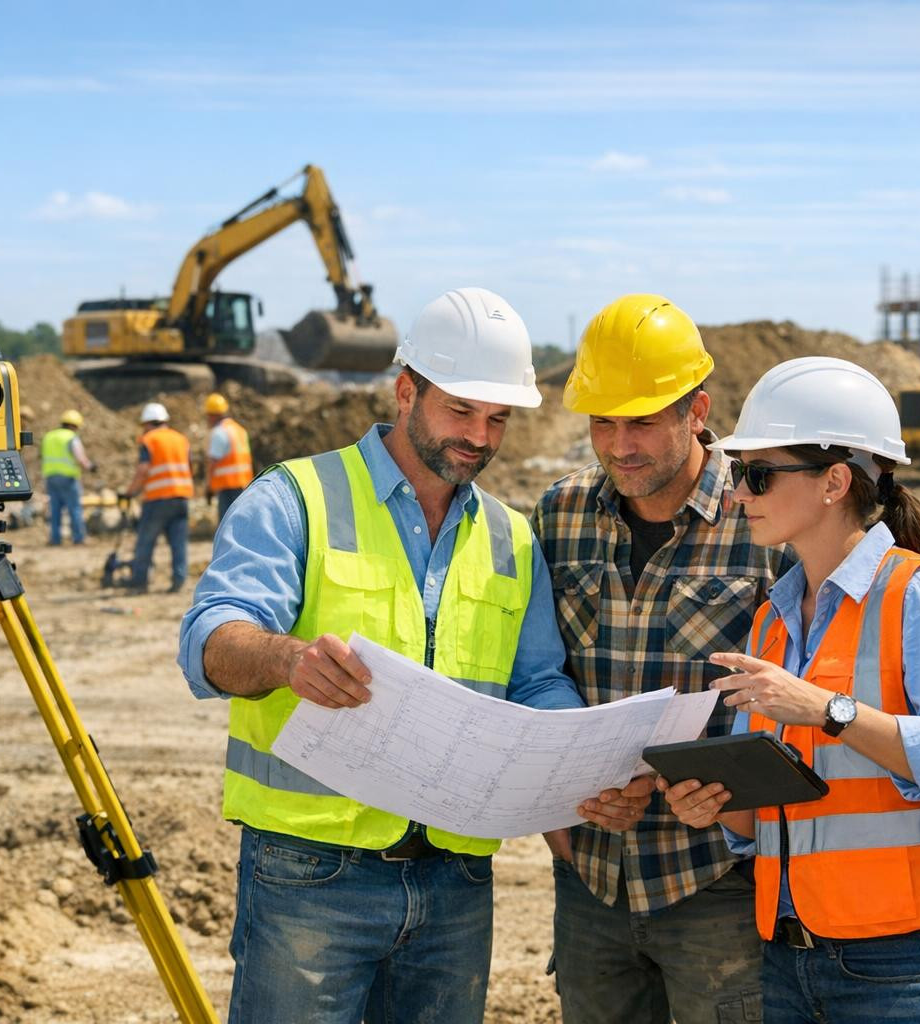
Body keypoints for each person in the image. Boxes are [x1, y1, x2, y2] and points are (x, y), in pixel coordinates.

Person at [179, 286, 652, 1024]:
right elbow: (210, 640)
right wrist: (286, 659)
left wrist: (586, 766)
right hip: (313, 874)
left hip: (456, 882)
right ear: (406, 391)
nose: (480, 436)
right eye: (460, 410)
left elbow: (536, 683)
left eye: (497, 418)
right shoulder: (297, 497)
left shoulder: (510, 537)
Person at [659, 356, 920, 1024]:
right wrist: (717, 805)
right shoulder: (775, 617)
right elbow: (779, 814)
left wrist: (826, 710)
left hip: (912, 967)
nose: (740, 493)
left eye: (758, 474)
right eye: (740, 474)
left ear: (834, 482)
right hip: (792, 960)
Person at [532, 294, 791, 1023]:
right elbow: (537, 676)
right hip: (589, 879)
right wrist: (562, 817)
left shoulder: (761, 521)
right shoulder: (560, 516)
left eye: (641, 421)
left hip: (715, 881)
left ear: (697, 410)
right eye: (603, 423)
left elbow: (799, 689)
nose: (620, 446)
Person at [122, 401, 191, 593]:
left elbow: (143, 470)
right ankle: (179, 579)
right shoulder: (181, 439)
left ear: (147, 423)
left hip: (158, 499)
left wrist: (130, 492)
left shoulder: (149, 439)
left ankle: (139, 582)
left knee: (146, 540)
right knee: (178, 542)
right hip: (182, 497)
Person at [41, 407, 95, 546]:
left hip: (51, 477)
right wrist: (90, 467)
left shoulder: (49, 436)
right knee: (74, 508)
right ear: (75, 425)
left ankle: (55, 539)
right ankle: (78, 538)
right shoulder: (71, 437)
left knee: (55, 509)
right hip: (68, 478)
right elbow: (80, 458)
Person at [203, 391, 253, 521]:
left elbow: (212, 462)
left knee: (227, 524)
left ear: (212, 415)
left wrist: (208, 486)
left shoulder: (219, 432)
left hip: (228, 487)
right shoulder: (240, 430)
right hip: (245, 484)